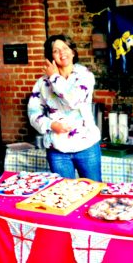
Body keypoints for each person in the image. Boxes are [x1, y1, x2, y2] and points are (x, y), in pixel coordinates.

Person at [27, 34, 102, 181]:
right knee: (63, 194)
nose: (62, 53)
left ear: (73, 52)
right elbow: (33, 113)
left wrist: (54, 77)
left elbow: (73, 100)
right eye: (56, 50)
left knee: (94, 192)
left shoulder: (85, 76)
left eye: (65, 48)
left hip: (86, 146)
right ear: (51, 57)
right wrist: (51, 124)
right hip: (58, 150)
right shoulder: (42, 83)